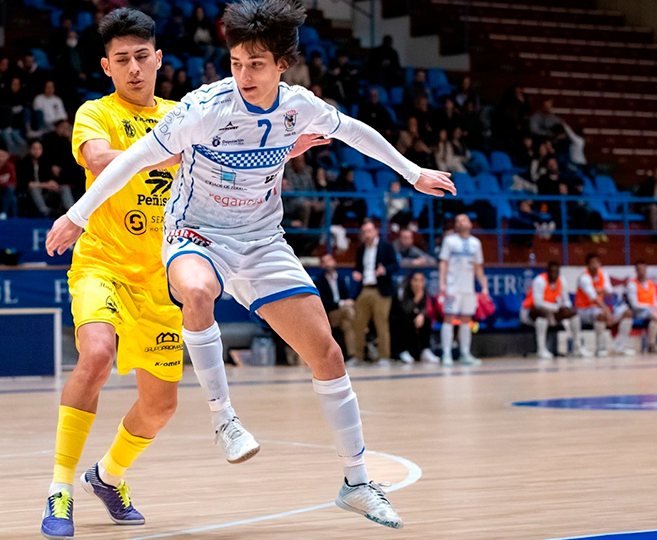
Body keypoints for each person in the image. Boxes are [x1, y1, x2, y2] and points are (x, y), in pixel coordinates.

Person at [47, 0, 457, 529]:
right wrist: (78, 215)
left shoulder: (293, 108)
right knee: (165, 313)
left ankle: (356, 481)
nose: (244, 75)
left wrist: (408, 170)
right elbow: (122, 159)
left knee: (321, 354)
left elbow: (349, 132)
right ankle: (214, 425)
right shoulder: (190, 108)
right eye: (236, 62)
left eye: (256, 64)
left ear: (282, 64)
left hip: (259, 242)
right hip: (172, 242)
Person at [38, 10, 185, 539]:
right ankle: (60, 488)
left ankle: (108, 475)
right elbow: (101, 160)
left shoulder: (181, 113)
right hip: (101, 260)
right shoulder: (94, 112)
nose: (135, 69)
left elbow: (221, 159)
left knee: (161, 405)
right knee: (96, 354)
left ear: (159, 58)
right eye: (122, 60)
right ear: (107, 65)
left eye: (142, 57)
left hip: (163, 279)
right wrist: (176, 157)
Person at [438, 214, 488, 366]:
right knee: (448, 318)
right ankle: (446, 354)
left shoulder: (475, 243)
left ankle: (465, 353)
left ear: (470, 224)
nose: (461, 223)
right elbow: (443, 263)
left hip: (468, 288)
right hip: (453, 287)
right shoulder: (450, 241)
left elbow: (478, 267)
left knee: (467, 320)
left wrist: (484, 286)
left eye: (464, 220)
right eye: (458, 220)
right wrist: (442, 283)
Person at [350, 219, 399, 363]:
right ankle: (357, 356)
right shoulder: (361, 249)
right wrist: (357, 273)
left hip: (381, 290)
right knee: (358, 324)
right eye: (365, 231)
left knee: (381, 324)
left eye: (370, 230)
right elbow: (358, 268)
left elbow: (395, 265)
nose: (367, 234)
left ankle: (384, 356)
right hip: (364, 289)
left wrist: (385, 270)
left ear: (376, 231)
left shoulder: (385, 247)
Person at [520, 261, 587, 359]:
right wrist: (556, 308)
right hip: (530, 311)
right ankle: (541, 349)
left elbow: (566, 300)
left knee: (573, 313)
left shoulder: (561, 280)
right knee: (542, 314)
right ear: (547, 272)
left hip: (551, 312)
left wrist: (565, 308)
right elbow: (538, 303)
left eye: (556, 272)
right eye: (552, 271)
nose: (554, 274)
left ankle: (577, 348)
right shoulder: (539, 281)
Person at [576, 254, 634, 356]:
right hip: (585, 309)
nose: (594, 266)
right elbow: (593, 298)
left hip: (600, 307)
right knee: (601, 315)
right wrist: (607, 311)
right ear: (587, 265)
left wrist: (600, 292)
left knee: (627, 313)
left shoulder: (603, 274)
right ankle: (600, 347)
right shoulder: (583, 278)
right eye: (592, 263)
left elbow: (610, 291)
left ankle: (619, 346)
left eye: (596, 263)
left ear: (600, 264)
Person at [392, 271, 440, 363]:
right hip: (399, 319)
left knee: (427, 320)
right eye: (416, 280)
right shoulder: (403, 290)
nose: (418, 283)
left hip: (414, 319)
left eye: (421, 280)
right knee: (406, 320)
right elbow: (404, 310)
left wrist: (421, 314)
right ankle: (403, 351)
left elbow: (426, 307)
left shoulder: (424, 291)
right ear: (410, 280)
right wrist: (417, 298)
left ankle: (425, 350)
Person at [314, 252, 355, 356]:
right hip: (330, 313)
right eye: (325, 262)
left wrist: (346, 302)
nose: (328, 264)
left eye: (329, 260)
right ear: (321, 265)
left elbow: (346, 295)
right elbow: (324, 302)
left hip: (343, 313)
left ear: (334, 262)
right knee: (348, 311)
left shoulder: (341, 279)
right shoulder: (319, 281)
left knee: (347, 325)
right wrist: (341, 303)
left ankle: (352, 355)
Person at [628, 260, 657, 353]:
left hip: (652, 311)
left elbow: (654, 300)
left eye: (643, 269)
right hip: (639, 312)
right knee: (655, 316)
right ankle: (652, 345)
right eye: (639, 269)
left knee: (655, 322)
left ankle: (651, 345)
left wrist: (655, 307)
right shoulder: (632, 284)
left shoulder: (651, 284)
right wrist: (650, 306)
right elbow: (634, 305)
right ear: (636, 270)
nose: (642, 271)